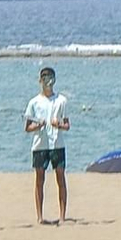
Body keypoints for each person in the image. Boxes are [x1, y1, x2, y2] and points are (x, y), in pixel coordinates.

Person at [25, 64, 70, 224]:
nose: (48, 82)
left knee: (60, 177)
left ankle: (62, 216)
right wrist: (38, 126)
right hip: (40, 145)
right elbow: (28, 127)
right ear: (40, 81)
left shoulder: (61, 100)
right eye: (45, 79)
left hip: (57, 144)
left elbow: (67, 125)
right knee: (39, 180)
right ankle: (39, 216)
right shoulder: (34, 102)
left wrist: (58, 125)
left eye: (50, 78)